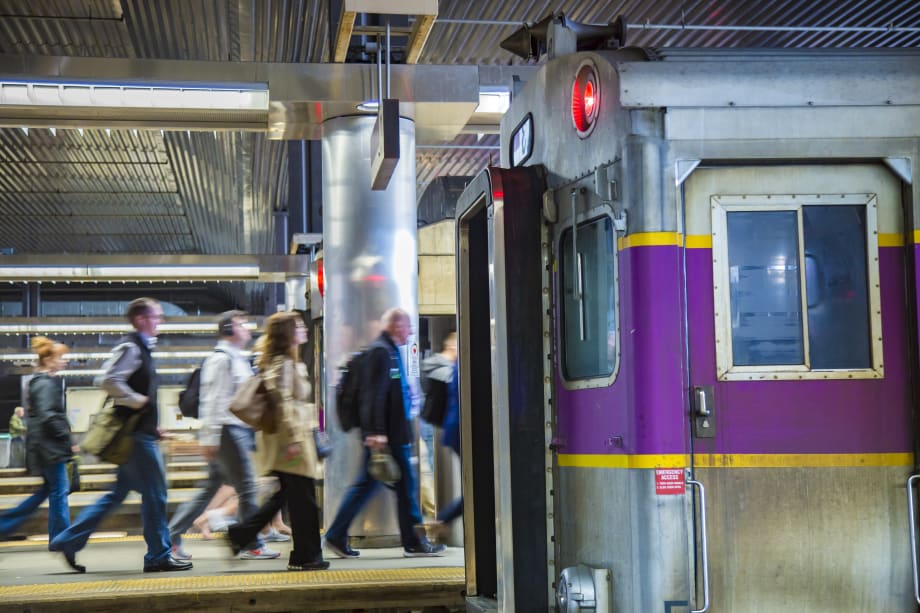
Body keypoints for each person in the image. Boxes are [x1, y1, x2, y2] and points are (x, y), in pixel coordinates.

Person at [50, 297, 192, 573]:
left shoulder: (143, 348)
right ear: (141, 319)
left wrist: (153, 425)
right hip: (135, 438)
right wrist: (136, 401)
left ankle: (67, 540)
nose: (160, 321)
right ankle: (158, 555)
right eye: (156, 316)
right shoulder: (131, 347)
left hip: (140, 434)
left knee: (116, 495)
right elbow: (107, 379)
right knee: (156, 494)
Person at [324, 308, 446, 559]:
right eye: (408, 327)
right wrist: (376, 432)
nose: (410, 332)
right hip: (388, 436)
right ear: (397, 326)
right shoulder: (381, 352)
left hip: (392, 434)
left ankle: (338, 535)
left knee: (383, 486)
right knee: (402, 488)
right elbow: (373, 396)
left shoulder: (388, 350)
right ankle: (413, 543)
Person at [167, 311, 279, 561]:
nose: (247, 327)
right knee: (248, 488)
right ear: (228, 329)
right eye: (241, 324)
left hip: (236, 431)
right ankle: (252, 544)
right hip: (227, 431)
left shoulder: (239, 359)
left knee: (209, 489)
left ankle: (171, 538)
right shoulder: (220, 360)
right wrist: (210, 439)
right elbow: (212, 401)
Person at [226, 311, 328, 571]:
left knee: (291, 495)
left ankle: (244, 534)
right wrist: (292, 441)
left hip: (294, 437)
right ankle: (305, 556)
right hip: (290, 441)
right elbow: (282, 403)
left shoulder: (288, 362)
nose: (304, 329)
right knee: (303, 499)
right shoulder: (283, 363)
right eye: (299, 326)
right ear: (287, 333)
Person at [0, 338, 80, 570]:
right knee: (59, 492)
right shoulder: (45, 384)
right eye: (60, 358)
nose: (64, 362)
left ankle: (5, 526)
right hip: (50, 449)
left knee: (48, 491)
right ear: (48, 360)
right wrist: (67, 441)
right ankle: (62, 540)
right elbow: (48, 416)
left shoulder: (39, 382)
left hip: (44, 448)